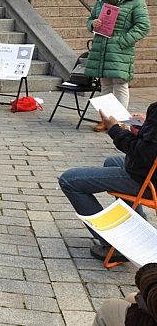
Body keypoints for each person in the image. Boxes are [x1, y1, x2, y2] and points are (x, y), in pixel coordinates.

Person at [58, 102, 157, 263]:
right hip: (147, 171)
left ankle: (114, 245)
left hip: (148, 180)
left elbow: (142, 153)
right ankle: (136, 231)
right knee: (112, 162)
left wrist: (114, 129)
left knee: (69, 180)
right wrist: (146, 125)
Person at [84, 0, 151, 132]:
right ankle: (106, 120)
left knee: (120, 85)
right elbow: (90, 19)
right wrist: (93, 24)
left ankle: (120, 121)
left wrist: (123, 41)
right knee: (105, 85)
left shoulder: (135, 1)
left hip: (120, 49)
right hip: (102, 46)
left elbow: (143, 26)